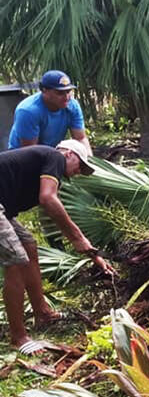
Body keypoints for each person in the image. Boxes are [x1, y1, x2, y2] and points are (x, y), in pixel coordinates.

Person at [0, 140, 115, 355]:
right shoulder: (54, 157)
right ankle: (19, 337)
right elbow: (48, 199)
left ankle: (42, 311)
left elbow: (54, 211)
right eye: (80, 166)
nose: (78, 172)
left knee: (29, 245)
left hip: (4, 209)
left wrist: (93, 255)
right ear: (69, 154)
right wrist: (78, 238)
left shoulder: (46, 170)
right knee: (16, 260)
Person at [8, 70, 90, 152]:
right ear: (44, 90)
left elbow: (81, 138)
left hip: (51, 152)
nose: (66, 97)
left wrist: (89, 162)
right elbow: (30, 152)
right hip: (22, 155)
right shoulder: (28, 111)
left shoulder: (72, 106)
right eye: (60, 93)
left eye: (68, 91)